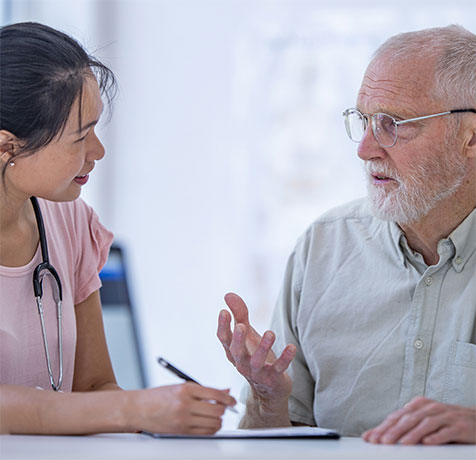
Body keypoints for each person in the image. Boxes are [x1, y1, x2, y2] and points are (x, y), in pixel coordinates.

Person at [217, 24, 476, 445]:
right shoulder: (322, 249)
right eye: (365, 120)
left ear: (471, 138)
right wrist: (268, 402)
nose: (365, 148)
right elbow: (278, 446)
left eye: (394, 123)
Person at [0, 22, 235, 435]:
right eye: (80, 137)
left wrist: (161, 416)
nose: (98, 152)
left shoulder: (70, 222)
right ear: (7, 146)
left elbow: (93, 387)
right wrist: (134, 409)